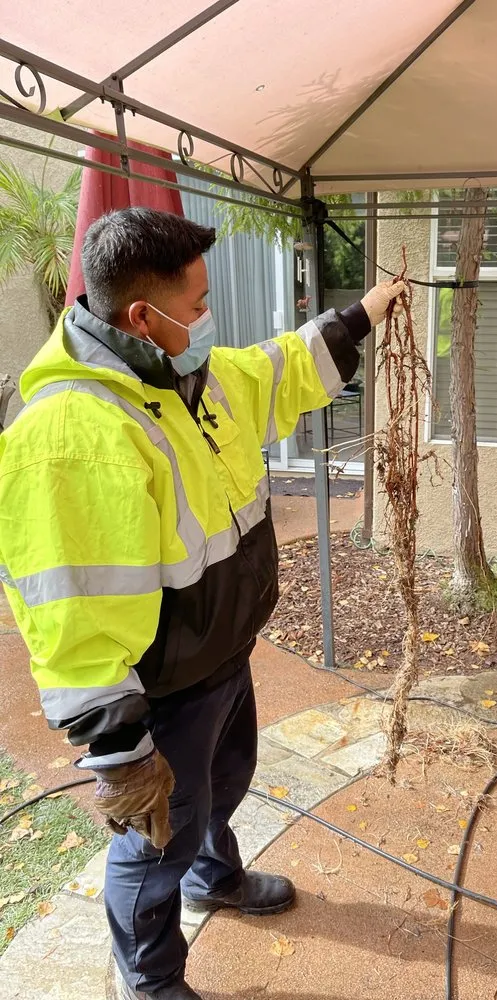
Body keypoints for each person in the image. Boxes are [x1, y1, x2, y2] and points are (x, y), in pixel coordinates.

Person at [0, 208, 404, 1000]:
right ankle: (150, 979)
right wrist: (119, 749)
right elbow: (71, 612)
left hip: (222, 654)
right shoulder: (72, 435)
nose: (208, 319)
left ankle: (214, 878)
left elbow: (274, 368)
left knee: (226, 782)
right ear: (142, 317)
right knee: (155, 847)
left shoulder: (189, 376)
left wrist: (362, 314)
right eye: (198, 303)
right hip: (159, 694)